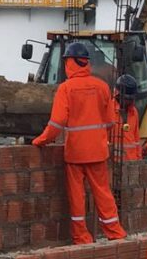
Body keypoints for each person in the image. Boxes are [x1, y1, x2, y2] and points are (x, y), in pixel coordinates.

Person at [32, 41, 126, 245]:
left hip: (75, 154)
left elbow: (57, 122)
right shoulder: (102, 87)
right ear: (86, 63)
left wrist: (41, 140)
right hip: (98, 152)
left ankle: (82, 237)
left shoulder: (66, 89)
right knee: (103, 193)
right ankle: (115, 232)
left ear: (69, 63)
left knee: (77, 197)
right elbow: (111, 121)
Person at [114, 74, 144, 161]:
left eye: (131, 99)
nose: (129, 102)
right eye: (127, 98)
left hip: (131, 163)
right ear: (118, 95)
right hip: (114, 164)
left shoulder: (134, 112)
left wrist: (139, 160)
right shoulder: (109, 109)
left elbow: (136, 139)